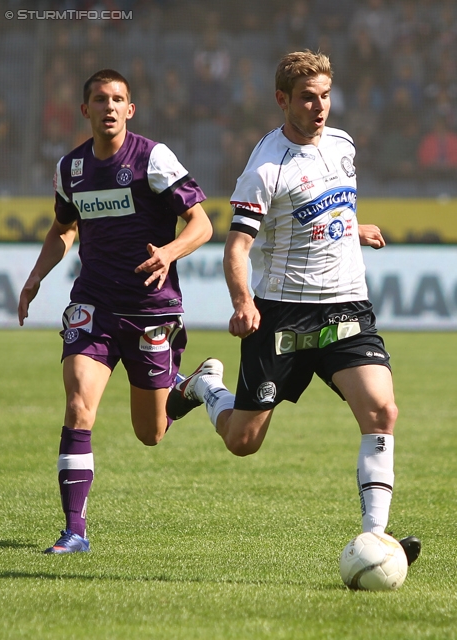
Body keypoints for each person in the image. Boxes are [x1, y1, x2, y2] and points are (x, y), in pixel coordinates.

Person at [167, 50, 421, 567]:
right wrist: (242, 302)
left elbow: (334, 205)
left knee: (382, 410)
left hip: (345, 307)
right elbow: (237, 247)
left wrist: (356, 226)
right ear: (283, 100)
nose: (319, 106)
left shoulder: (344, 145)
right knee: (243, 442)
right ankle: (204, 386)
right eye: (308, 98)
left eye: (326, 95)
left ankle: (377, 538)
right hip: (282, 317)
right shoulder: (265, 167)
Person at [18, 69, 212, 554]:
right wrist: (36, 276)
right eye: (100, 99)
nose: (109, 107)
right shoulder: (71, 169)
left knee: (150, 433)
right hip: (94, 304)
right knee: (79, 406)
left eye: (118, 99)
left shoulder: (153, 158)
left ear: (130, 110)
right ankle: (74, 531)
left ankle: (187, 390)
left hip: (150, 308)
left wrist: (169, 252)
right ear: (85, 110)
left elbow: (203, 224)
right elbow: (64, 229)